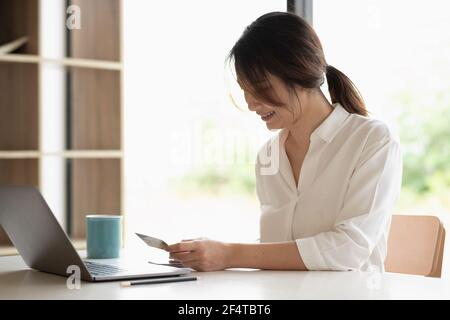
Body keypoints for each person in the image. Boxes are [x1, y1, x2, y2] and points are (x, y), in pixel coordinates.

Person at [167, 12, 402, 272]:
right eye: (245, 89)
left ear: (299, 74)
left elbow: (348, 249)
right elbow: (277, 246)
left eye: (260, 87)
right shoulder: (268, 155)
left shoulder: (372, 141)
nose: (250, 102)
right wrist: (209, 254)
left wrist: (230, 254)